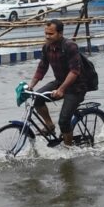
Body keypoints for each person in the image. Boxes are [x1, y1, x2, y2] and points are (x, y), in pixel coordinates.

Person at [27, 19, 88, 147]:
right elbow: (42, 67)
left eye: (51, 34)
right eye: (46, 33)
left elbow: (74, 71)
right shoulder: (46, 47)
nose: (47, 37)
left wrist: (61, 89)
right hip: (60, 82)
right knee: (37, 97)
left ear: (60, 33)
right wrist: (30, 85)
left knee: (64, 121)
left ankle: (68, 149)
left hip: (76, 87)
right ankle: (49, 125)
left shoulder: (70, 46)